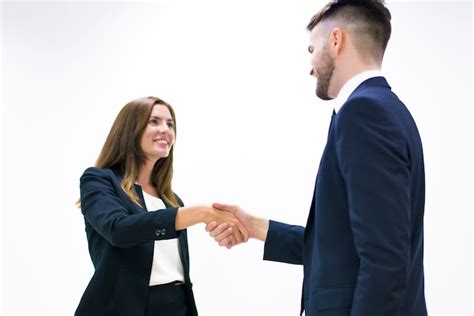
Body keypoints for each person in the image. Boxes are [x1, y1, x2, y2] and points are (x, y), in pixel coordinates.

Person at [207, 1, 427, 315]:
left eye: (312, 50)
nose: (310, 67)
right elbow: (343, 248)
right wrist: (255, 227)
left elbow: (385, 261)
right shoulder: (386, 109)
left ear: (336, 40)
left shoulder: (364, 113)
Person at [75, 96, 248, 316]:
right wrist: (200, 213)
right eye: (154, 121)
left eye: (170, 124)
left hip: (176, 306)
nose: (165, 129)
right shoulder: (98, 180)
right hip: (123, 308)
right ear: (130, 129)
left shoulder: (172, 200)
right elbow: (119, 230)